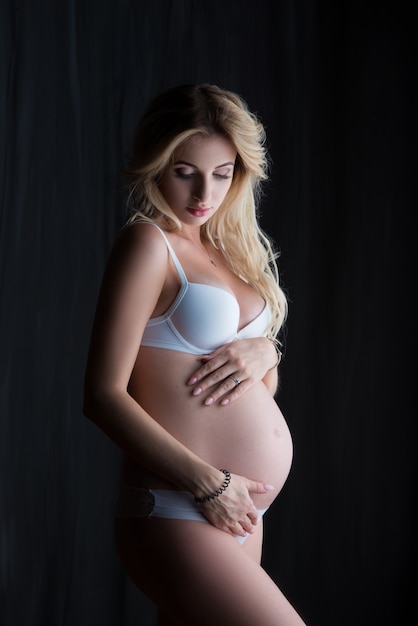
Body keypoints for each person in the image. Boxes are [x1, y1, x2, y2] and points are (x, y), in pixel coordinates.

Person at [83, 83, 306, 626]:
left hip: (237, 510)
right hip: (184, 504)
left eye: (223, 172)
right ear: (157, 163)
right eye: (185, 170)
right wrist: (211, 484)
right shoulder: (148, 245)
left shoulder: (230, 254)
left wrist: (265, 355)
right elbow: (102, 395)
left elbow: (238, 392)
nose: (204, 191)